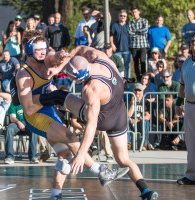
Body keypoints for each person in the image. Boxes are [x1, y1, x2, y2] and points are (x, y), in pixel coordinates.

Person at [8, 30, 129, 199]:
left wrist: (61, 55)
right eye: (38, 49)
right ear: (28, 50)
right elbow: (28, 108)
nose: (43, 52)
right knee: (70, 137)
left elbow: (55, 57)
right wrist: (52, 96)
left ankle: (55, 194)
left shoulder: (46, 59)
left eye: (44, 48)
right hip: (34, 116)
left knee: (64, 155)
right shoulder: (24, 74)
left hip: (47, 107)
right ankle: (100, 172)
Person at [40, 45, 158, 199]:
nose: (69, 79)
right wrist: (59, 68)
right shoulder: (102, 58)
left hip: (104, 118)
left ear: (80, 78)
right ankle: (146, 191)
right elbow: (80, 48)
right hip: (120, 115)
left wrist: (82, 154)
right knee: (123, 159)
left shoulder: (91, 89)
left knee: (60, 96)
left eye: (71, 77)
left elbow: (92, 124)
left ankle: (33, 101)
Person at [175, 35, 195, 185]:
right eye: (193, 42)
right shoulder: (187, 63)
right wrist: (178, 103)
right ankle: (191, 175)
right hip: (190, 105)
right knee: (191, 141)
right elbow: (182, 85)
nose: (194, 44)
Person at [127, 83, 151, 151]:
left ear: (142, 91)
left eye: (139, 90)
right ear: (133, 91)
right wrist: (132, 105)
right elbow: (128, 116)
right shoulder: (128, 102)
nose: (137, 92)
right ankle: (127, 144)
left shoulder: (146, 102)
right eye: (135, 90)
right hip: (131, 123)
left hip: (140, 122)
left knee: (145, 122)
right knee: (125, 121)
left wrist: (139, 119)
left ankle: (144, 144)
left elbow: (148, 116)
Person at [128, 7, 149, 81]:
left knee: (143, 61)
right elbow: (130, 33)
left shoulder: (144, 21)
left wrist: (135, 31)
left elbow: (145, 30)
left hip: (143, 45)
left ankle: (144, 77)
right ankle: (138, 78)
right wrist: (139, 32)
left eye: (135, 12)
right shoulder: (130, 23)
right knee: (135, 63)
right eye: (133, 12)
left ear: (139, 12)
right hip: (134, 46)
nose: (134, 14)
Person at [110, 10, 131, 78]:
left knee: (127, 66)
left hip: (127, 49)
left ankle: (127, 79)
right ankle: (117, 78)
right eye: (121, 16)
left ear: (126, 17)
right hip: (117, 49)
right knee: (116, 65)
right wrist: (112, 44)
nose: (122, 17)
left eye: (124, 16)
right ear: (118, 16)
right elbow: (111, 35)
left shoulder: (129, 25)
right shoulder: (114, 25)